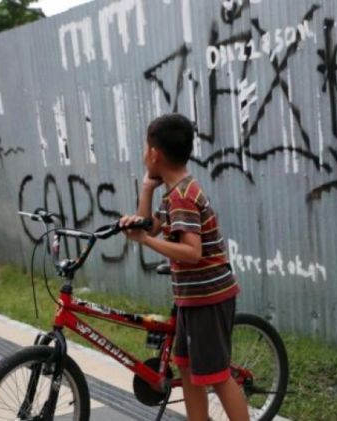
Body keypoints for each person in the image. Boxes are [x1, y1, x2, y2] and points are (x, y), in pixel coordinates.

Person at [119, 114, 248, 421]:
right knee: (189, 370)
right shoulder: (174, 192)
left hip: (208, 298)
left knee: (217, 376)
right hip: (192, 298)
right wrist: (146, 194)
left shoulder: (183, 198)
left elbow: (191, 252)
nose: (142, 155)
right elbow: (150, 229)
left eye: (144, 148)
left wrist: (144, 240)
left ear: (154, 154)